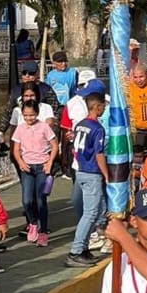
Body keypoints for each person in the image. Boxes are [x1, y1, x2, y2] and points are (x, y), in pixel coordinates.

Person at [66, 90, 106, 267]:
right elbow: (99, 155)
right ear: (97, 107)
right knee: (90, 214)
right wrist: (107, 175)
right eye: (103, 106)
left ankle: (83, 248)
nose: (104, 109)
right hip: (91, 173)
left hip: (80, 171)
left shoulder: (80, 124)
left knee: (96, 211)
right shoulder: (98, 128)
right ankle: (75, 251)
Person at [11, 100, 59, 247]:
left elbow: (54, 144)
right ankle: (32, 223)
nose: (29, 118)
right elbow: (16, 149)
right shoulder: (20, 128)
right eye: (25, 115)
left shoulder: (44, 127)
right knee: (26, 201)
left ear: (37, 114)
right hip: (27, 168)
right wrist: (20, 162)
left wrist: (50, 162)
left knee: (40, 201)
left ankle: (43, 231)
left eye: (31, 115)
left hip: (42, 167)